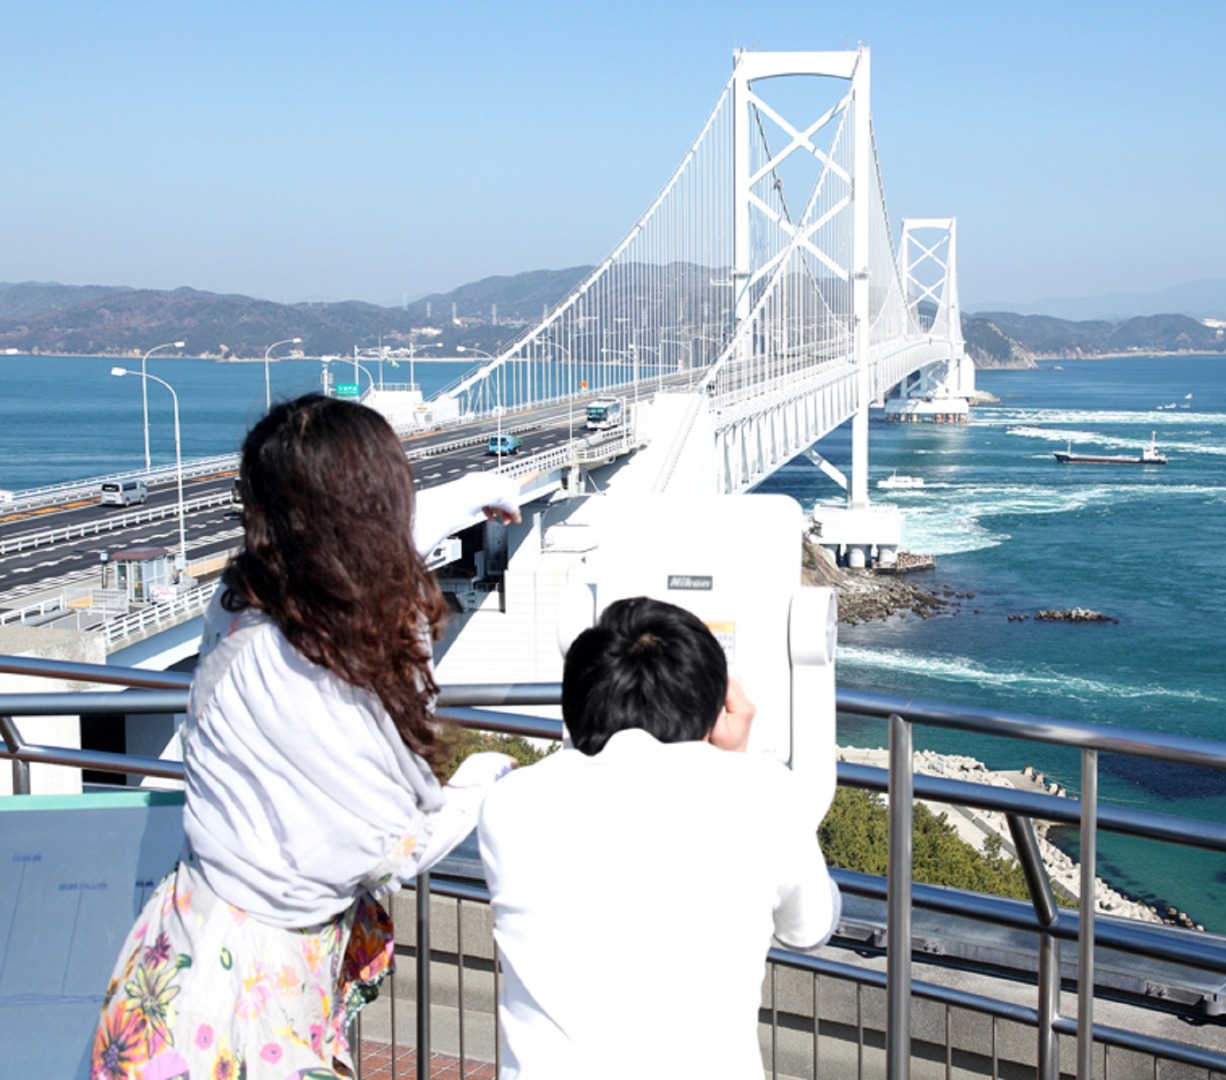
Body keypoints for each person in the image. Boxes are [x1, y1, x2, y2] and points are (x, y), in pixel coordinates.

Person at [89, 394, 523, 1080]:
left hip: (176, 954)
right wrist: (489, 777)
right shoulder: (329, 669)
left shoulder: (243, 602)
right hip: (247, 1008)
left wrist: (472, 494)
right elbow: (389, 844)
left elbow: (345, 545)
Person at [479, 596, 841, 1079]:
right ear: (718, 707)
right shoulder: (762, 793)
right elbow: (809, 928)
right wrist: (735, 763)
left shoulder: (511, 804)